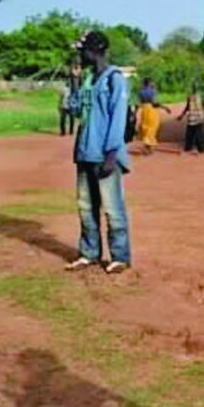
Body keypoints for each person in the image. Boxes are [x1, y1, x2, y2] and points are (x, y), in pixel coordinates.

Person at [64, 30, 132, 274]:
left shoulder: (115, 79)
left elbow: (118, 118)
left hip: (106, 155)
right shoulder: (88, 80)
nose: (80, 56)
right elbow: (73, 110)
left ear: (95, 51)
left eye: (82, 51)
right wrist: (73, 83)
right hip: (84, 153)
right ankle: (89, 253)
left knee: (113, 209)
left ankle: (120, 256)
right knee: (85, 207)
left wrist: (112, 153)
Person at [136, 78, 171, 154]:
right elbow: (155, 102)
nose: (153, 83)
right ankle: (149, 146)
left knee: (145, 127)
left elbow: (139, 103)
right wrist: (165, 107)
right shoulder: (153, 91)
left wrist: (135, 112)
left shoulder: (141, 92)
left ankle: (147, 146)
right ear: (149, 83)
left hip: (144, 110)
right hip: (152, 110)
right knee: (152, 127)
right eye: (152, 82)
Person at [177, 84, 204, 155]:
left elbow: (187, 107)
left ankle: (190, 147)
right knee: (196, 134)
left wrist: (182, 115)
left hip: (193, 117)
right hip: (197, 117)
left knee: (192, 134)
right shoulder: (201, 97)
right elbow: (203, 105)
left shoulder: (191, 97)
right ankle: (199, 148)